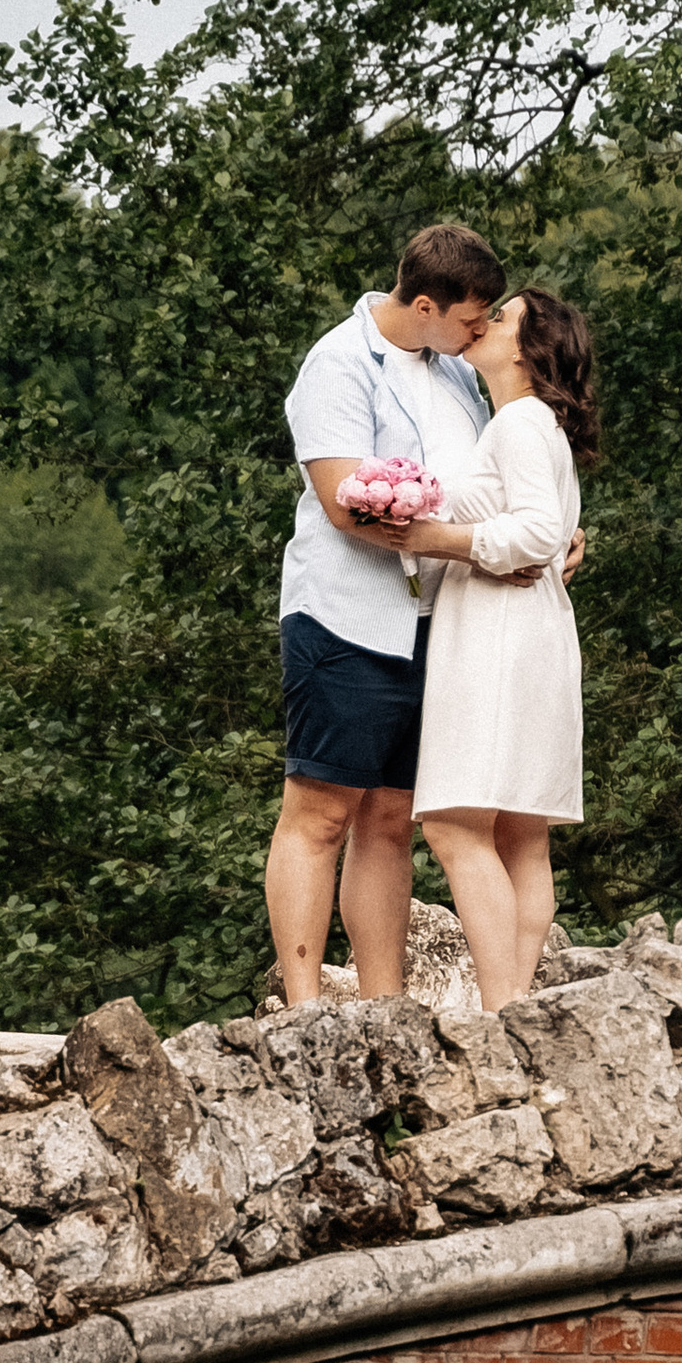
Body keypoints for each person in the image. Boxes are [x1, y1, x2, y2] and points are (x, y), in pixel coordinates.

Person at [266, 222, 504, 1004]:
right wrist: (472, 542)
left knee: (394, 818)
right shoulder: (338, 364)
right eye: (473, 320)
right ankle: (304, 1008)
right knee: (322, 812)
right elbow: (344, 503)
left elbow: (491, 482)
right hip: (347, 619)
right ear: (427, 304)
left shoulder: (457, 376)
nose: (480, 336)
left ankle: (384, 1004)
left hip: (440, 625)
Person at [403, 290, 594, 1009]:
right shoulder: (534, 425)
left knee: (456, 823)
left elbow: (540, 532)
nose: (483, 322)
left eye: (504, 317)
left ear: (526, 348)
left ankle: (500, 1008)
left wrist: (437, 538)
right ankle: (514, 1004)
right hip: (532, 628)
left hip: (497, 636)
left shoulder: (518, 422)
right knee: (521, 834)